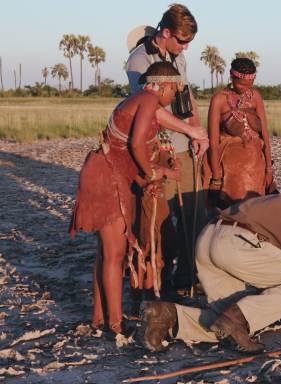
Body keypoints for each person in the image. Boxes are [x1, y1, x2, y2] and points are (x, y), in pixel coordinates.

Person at [70, 62, 198, 334]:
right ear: (164, 84)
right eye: (174, 90)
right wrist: (157, 172)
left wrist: (191, 133)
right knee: (114, 254)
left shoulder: (142, 99)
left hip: (109, 172)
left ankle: (100, 318)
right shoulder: (149, 99)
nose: (174, 97)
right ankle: (115, 324)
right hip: (108, 178)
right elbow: (136, 144)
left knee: (106, 252)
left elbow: (132, 146)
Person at [139, 195, 281, 353]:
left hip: (208, 239)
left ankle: (169, 315)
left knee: (223, 326)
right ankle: (236, 318)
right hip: (235, 244)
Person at [126, 3, 209, 291]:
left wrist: (200, 134)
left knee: (195, 215)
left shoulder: (178, 58)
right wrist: (188, 129)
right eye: (182, 42)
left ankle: (191, 273)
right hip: (156, 148)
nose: (185, 49)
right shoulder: (138, 60)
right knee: (161, 218)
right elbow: (150, 109)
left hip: (185, 146)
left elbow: (187, 97)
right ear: (166, 32)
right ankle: (155, 280)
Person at [206, 58, 273, 209]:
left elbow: (265, 135)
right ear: (231, 75)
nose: (244, 88)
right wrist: (216, 177)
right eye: (241, 84)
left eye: (249, 85)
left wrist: (269, 168)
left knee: (255, 208)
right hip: (230, 164)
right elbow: (213, 141)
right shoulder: (219, 99)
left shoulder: (255, 96)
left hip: (255, 165)